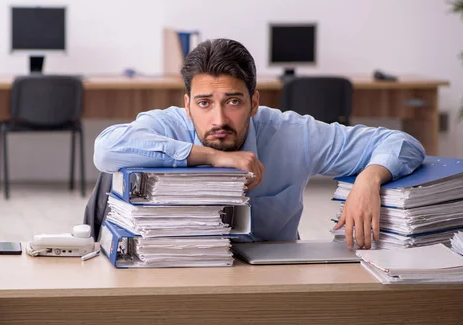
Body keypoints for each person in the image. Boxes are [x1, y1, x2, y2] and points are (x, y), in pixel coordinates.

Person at [93, 39, 425, 249]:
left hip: (270, 276)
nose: (219, 120)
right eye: (205, 103)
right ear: (188, 104)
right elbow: (106, 149)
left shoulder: (292, 133)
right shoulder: (169, 126)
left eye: (233, 102)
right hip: (181, 268)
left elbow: (402, 143)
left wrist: (369, 178)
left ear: (254, 103)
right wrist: (207, 156)